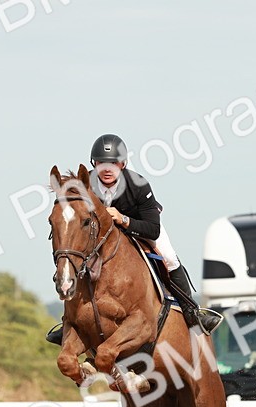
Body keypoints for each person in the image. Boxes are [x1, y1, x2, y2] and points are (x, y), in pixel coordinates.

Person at [46, 134, 224, 344]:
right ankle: (70, 321)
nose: (107, 169)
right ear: (94, 163)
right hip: (103, 237)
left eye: (113, 163)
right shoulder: (87, 186)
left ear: (123, 163)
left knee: (169, 257)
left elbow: (153, 229)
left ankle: (192, 312)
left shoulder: (138, 185)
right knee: (78, 260)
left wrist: (124, 220)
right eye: (102, 163)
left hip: (140, 227)